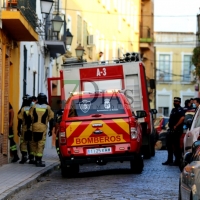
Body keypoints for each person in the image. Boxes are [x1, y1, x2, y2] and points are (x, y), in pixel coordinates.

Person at [29, 93, 54, 167]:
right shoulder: (48, 107)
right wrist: (51, 129)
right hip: (42, 128)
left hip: (34, 127)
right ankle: (38, 160)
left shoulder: (33, 106)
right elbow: (51, 119)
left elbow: (29, 118)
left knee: (34, 143)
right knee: (40, 144)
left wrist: (29, 128)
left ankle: (33, 159)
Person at [162, 97, 185, 166]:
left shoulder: (180, 110)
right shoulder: (173, 109)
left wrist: (176, 125)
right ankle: (169, 160)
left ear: (179, 102)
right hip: (171, 129)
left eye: (177, 101)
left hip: (177, 130)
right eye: (174, 101)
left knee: (176, 146)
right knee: (169, 145)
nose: (175, 102)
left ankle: (177, 161)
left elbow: (182, 118)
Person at [17, 95, 33, 164]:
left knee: (23, 143)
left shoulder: (22, 109)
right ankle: (32, 158)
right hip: (32, 129)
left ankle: (24, 157)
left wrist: (18, 129)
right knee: (31, 143)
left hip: (24, 129)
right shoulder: (33, 108)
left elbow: (20, 120)